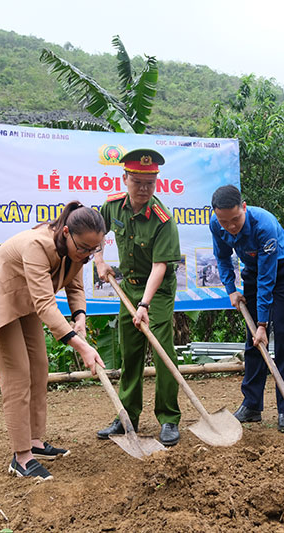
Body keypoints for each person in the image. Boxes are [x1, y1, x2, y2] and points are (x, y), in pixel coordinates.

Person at [0, 201, 106, 480]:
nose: (88, 255)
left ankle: (35, 442)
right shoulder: (37, 245)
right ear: (66, 232)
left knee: (39, 367)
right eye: (84, 248)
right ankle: (21, 457)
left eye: (95, 250)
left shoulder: (77, 251)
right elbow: (45, 304)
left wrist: (80, 317)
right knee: (17, 374)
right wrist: (82, 346)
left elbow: (75, 286)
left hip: (24, 298)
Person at [93, 148, 183, 446]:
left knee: (161, 351)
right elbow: (94, 232)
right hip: (127, 285)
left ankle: (169, 418)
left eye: (150, 183)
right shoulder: (112, 206)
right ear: (125, 178)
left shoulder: (162, 219)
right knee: (129, 352)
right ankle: (126, 416)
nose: (144, 189)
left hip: (156, 291)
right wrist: (99, 259)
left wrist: (144, 304)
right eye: (138, 182)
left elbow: (160, 266)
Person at [210, 185, 284, 432]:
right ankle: (251, 405)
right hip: (252, 271)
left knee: (282, 335)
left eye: (235, 219)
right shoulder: (217, 223)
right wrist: (231, 289)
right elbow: (223, 257)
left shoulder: (264, 226)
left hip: (281, 272)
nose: (230, 226)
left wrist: (262, 325)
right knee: (252, 342)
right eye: (224, 221)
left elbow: (267, 280)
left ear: (244, 208)